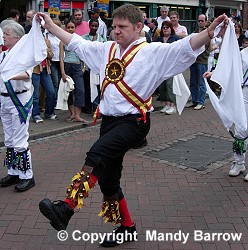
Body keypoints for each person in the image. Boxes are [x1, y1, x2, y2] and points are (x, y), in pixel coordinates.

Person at [36, 4, 228, 247]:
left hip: (135, 122)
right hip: (109, 121)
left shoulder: (152, 52)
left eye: (122, 27)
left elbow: (184, 47)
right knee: (108, 180)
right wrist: (52, 26)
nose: (116, 31)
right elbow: (78, 44)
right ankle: (127, 227)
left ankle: (67, 207)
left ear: (138, 27)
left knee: (96, 154)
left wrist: (208, 33)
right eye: (114, 26)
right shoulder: (107, 50)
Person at [203, 37, 248, 180]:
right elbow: (229, 67)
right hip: (244, 92)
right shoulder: (243, 53)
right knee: (241, 127)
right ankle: (239, 162)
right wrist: (214, 73)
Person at [0, 22, 35, 191]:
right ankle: (13, 171)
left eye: (7, 34)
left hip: (19, 101)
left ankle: (27, 175)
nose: (4, 36)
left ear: (18, 38)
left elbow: (27, 74)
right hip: (5, 101)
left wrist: (8, 74)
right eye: (4, 33)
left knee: (20, 140)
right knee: (9, 140)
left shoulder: (25, 56)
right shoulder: (3, 55)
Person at [59, 19, 87, 123]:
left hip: (77, 67)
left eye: (72, 27)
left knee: (80, 90)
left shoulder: (79, 39)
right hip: (67, 66)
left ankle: (78, 115)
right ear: (66, 28)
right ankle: (72, 114)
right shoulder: (62, 40)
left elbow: (83, 54)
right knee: (69, 91)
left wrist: (84, 67)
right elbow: (61, 57)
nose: (70, 29)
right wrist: (62, 72)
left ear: (75, 28)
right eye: (68, 27)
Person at [156, 21, 180, 115]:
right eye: (164, 27)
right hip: (161, 66)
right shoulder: (159, 39)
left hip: (172, 66)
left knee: (170, 85)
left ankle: (172, 105)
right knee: (163, 85)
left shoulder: (175, 38)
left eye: (167, 27)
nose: (165, 29)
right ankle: (166, 104)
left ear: (171, 28)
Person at [32, 33, 57, 123]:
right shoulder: (31, 41)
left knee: (51, 92)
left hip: (46, 69)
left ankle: (49, 112)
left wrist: (45, 50)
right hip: (35, 70)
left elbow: (51, 56)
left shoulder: (46, 41)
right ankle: (35, 114)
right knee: (35, 94)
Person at [187, 14, 210, 110]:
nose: (200, 22)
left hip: (202, 60)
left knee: (201, 82)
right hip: (194, 60)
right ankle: (195, 100)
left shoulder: (207, 33)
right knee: (193, 82)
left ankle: (201, 102)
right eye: (199, 21)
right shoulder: (195, 32)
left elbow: (205, 47)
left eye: (202, 21)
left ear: (205, 21)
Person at [82, 19, 106, 114]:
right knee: (87, 88)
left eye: (96, 26)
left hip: (98, 68)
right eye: (92, 26)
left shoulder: (102, 38)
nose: (94, 28)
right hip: (87, 67)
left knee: (98, 88)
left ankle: (97, 107)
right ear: (89, 26)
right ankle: (88, 107)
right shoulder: (84, 37)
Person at [47, 18, 62, 105]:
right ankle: (54, 100)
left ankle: (59, 100)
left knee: (60, 82)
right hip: (52, 61)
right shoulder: (46, 35)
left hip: (60, 61)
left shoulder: (60, 35)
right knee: (55, 81)